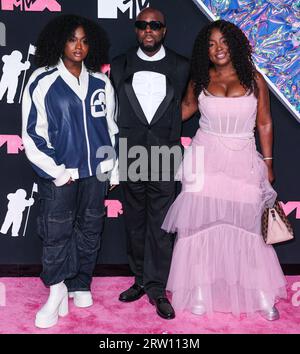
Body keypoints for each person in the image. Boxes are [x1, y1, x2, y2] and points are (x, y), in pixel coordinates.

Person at [162, 20, 287, 320]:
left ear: (235, 44)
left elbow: (265, 122)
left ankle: (260, 293)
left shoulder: (255, 80)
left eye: (223, 42)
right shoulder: (200, 80)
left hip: (243, 159)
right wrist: (145, 116)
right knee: (199, 229)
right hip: (204, 159)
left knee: (249, 232)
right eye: (210, 44)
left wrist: (268, 163)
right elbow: (181, 112)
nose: (217, 49)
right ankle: (200, 291)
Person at [22, 15, 118, 328]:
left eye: (84, 40)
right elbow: (32, 135)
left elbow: (111, 128)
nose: (79, 46)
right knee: (55, 234)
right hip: (61, 174)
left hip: (96, 174)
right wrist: (58, 172)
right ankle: (56, 290)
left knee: (90, 230)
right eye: (72, 39)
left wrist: (112, 168)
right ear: (60, 41)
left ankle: (79, 283)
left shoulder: (101, 81)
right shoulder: (42, 80)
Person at [111, 7, 189, 320]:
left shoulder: (181, 66)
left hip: (165, 153)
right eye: (142, 25)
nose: (148, 30)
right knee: (134, 222)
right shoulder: (119, 65)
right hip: (130, 152)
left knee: (161, 225)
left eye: (154, 25)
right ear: (136, 29)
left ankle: (157, 287)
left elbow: (188, 105)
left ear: (164, 30)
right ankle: (140, 279)